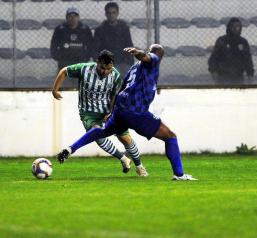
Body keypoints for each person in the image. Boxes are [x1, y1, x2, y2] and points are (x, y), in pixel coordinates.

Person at [57, 44, 197, 181]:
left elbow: (121, 89)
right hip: (136, 111)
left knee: (102, 131)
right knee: (170, 136)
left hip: (120, 108)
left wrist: (113, 111)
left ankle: (70, 149)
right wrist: (138, 52)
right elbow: (146, 56)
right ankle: (179, 174)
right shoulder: (153, 60)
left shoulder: (134, 67)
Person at [52, 49, 148, 177]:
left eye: (108, 68)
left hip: (107, 111)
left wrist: (111, 111)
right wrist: (55, 89)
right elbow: (64, 71)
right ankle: (123, 158)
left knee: (125, 137)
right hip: (88, 112)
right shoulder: (84, 69)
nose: (105, 71)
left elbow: (117, 95)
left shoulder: (115, 76)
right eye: (103, 68)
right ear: (97, 62)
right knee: (97, 134)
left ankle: (140, 167)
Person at [208, 17, 254, 84]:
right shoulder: (221, 40)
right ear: (229, 27)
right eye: (233, 26)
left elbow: (248, 59)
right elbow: (213, 58)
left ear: (240, 28)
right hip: (222, 76)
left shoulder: (243, 42)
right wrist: (213, 71)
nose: (235, 29)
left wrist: (250, 74)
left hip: (238, 76)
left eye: (237, 26)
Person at [93, 2, 134, 76]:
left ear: (117, 13)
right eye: (109, 13)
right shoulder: (100, 30)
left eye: (113, 13)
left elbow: (129, 45)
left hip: (122, 62)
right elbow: (95, 49)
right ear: (105, 14)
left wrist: (128, 61)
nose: (111, 15)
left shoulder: (124, 28)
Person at [50, 7, 93, 71]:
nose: (72, 18)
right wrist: (59, 58)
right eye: (70, 16)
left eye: (75, 16)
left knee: (80, 80)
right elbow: (53, 45)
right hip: (64, 63)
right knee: (64, 80)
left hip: (80, 62)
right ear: (66, 18)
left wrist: (86, 58)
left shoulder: (85, 29)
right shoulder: (60, 29)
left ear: (78, 18)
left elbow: (91, 45)